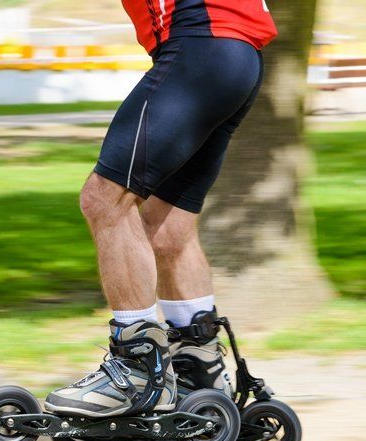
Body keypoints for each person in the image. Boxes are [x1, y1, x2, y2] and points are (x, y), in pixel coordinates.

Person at [45, 0, 277, 419]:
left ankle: (135, 370)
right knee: (166, 227)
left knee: (104, 199)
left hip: (200, 48)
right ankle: (199, 367)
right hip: (236, 58)